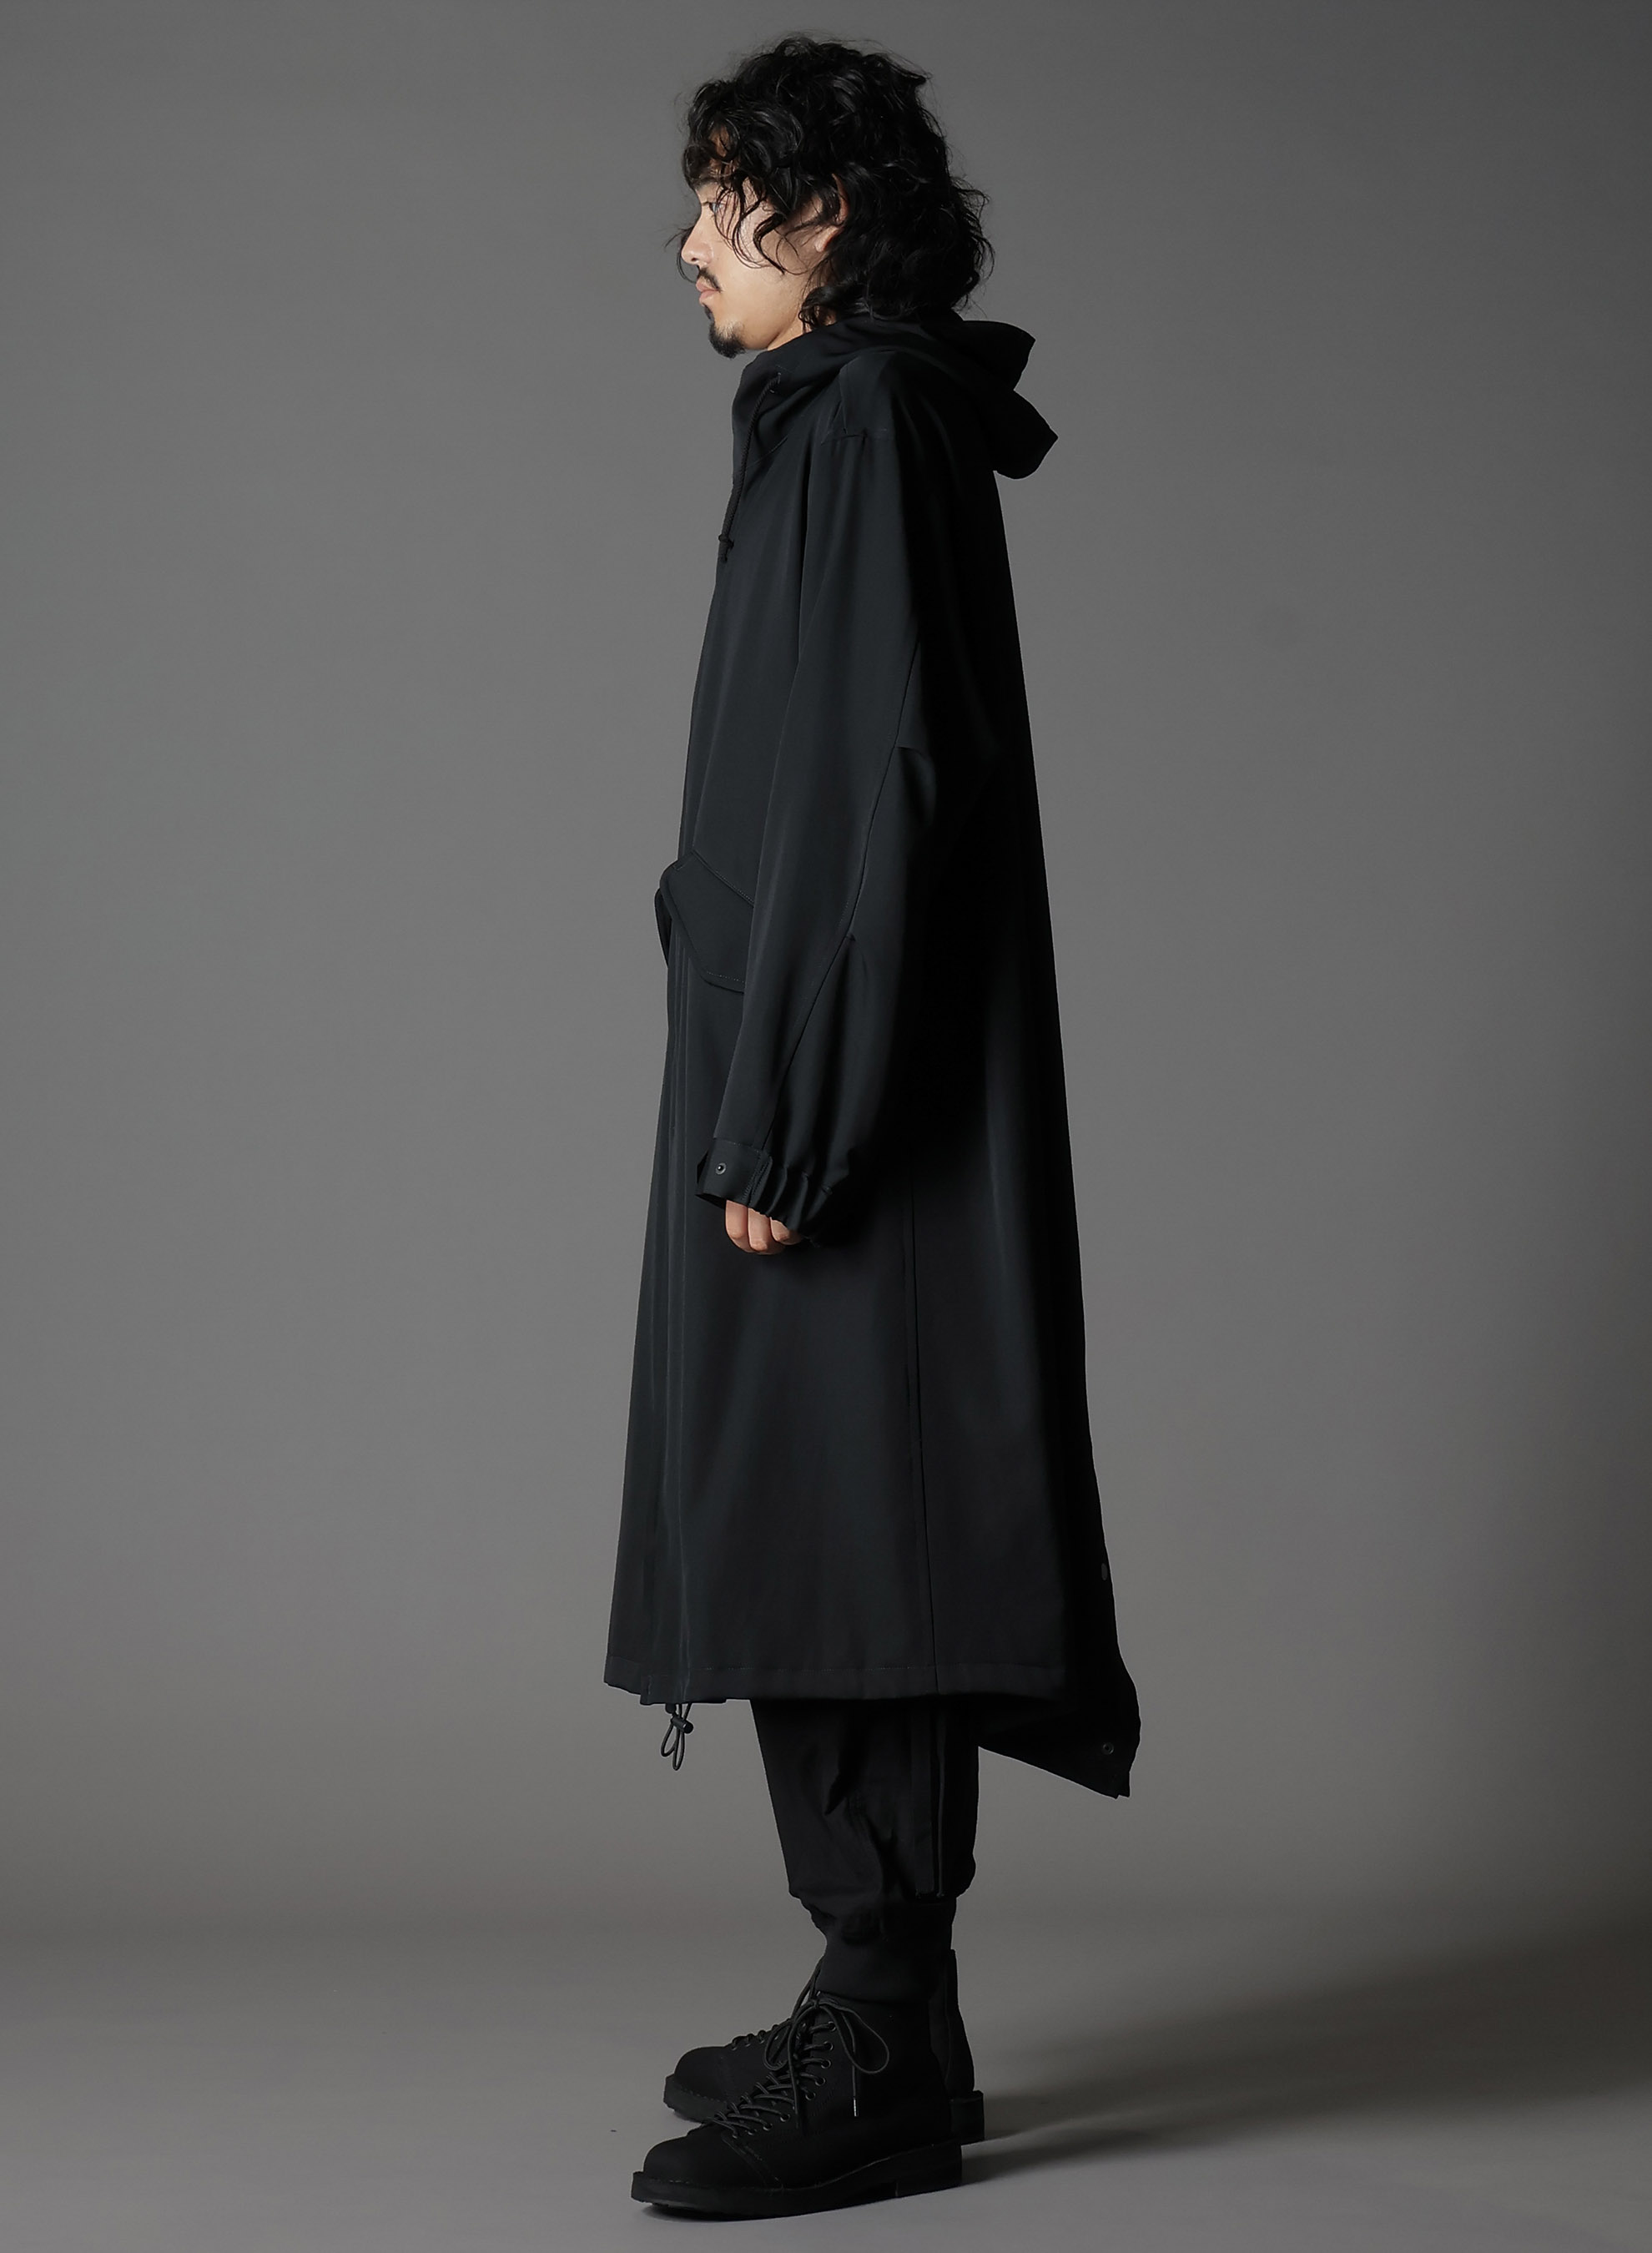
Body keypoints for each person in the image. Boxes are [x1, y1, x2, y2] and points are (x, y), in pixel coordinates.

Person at [605, 34, 1139, 2220]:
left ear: (822, 217)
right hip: (808, 1071)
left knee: (859, 1540)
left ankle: (883, 2035)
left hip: (839, 1102)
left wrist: (793, 1119)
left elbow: (866, 789)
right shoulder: (851, 423)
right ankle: (882, 2007)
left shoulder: (858, 431)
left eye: (722, 197)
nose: (686, 242)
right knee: (823, 1530)